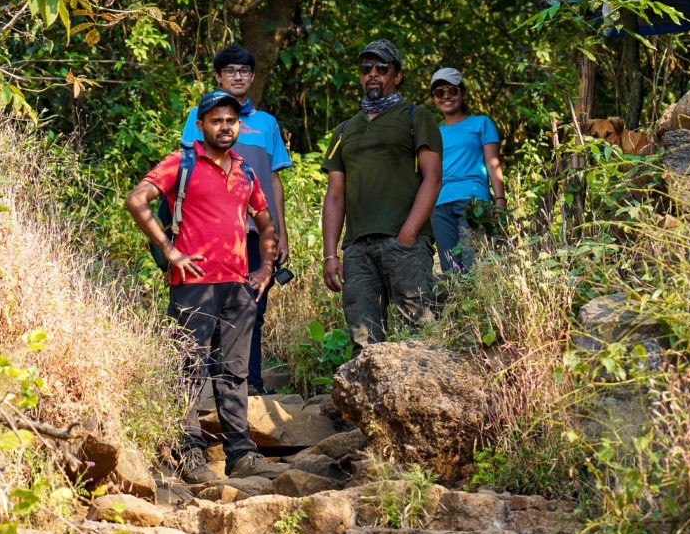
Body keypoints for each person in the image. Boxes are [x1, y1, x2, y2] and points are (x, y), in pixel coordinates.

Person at [126, 90, 286, 483]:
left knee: (233, 373)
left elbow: (266, 223)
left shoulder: (245, 170)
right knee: (188, 370)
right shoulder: (181, 162)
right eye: (217, 120)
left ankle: (242, 455)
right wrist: (170, 249)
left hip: (237, 286)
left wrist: (264, 269)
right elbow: (137, 200)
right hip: (192, 285)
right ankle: (188, 455)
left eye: (231, 121)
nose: (225, 127)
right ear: (201, 126)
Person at [180, 46, 293, 396]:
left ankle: (251, 384)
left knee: (253, 308)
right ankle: (204, 390)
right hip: (214, 231)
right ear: (218, 76)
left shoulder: (266, 124)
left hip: (257, 231)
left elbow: (274, 181)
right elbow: (186, 171)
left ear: (253, 76)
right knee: (209, 307)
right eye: (230, 70)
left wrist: (281, 233)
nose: (238, 76)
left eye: (245, 70)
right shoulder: (201, 117)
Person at [321, 39, 442, 351]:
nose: (372, 74)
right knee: (363, 339)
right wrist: (331, 254)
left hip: (404, 243)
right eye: (366, 68)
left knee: (417, 332)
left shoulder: (415, 116)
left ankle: (420, 399)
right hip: (358, 248)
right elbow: (334, 196)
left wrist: (409, 234)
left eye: (381, 68)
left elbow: (433, 177)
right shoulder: (345, 129)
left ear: (397, 75)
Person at [428, 68, 506, 274]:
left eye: (451, 91)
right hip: (440, 207)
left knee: (474, 266)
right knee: (451, 272)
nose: (446, 96)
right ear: (434, 98)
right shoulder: (435, 132)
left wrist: (500, 201)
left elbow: (493, 163)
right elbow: (432, 174)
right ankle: (459, 307)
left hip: (473, 201)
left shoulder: (481, 123)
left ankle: (480, 307)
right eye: (439, 92)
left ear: (462, 93)